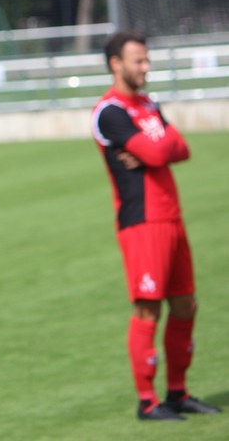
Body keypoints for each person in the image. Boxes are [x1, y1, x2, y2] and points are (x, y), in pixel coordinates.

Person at [91, 30, 221, 421]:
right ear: (116, 64)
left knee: (185, 304)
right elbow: (158, 149)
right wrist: (157, 147)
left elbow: (180, 148)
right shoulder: (110, 111)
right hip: (142, 221)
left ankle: (178, 393)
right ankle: (147, 401)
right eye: (139, 61)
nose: (146, 67)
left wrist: (156, 150)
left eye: (147, 60)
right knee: (148, 309)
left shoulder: (148, 104)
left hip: (172, 216)